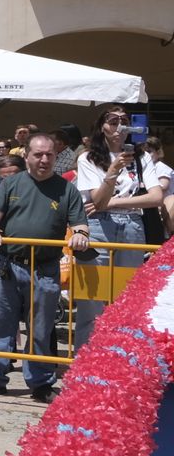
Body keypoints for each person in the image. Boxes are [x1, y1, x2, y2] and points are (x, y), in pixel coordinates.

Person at [0, 133, 88, 403]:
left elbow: (81, 224)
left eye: (49, 154)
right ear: (27, 155)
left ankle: (40, 382)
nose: (44, 159)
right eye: (38, 154)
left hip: (45, 268)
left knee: (40, 328)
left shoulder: (67, 189)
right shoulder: (11, 184)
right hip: (8, 266)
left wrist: (81, 235)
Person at [74, 106, 165, 348]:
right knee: (92, 297)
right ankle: (86, 357)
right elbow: (97, 199)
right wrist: (113, 172)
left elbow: (156, 197)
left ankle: (120, 356)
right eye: (113, 121)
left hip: (132, 224)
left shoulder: (142, 156)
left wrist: (113, 202)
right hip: (99, 226)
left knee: (126, 296)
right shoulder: (88, 158)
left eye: (125, 121)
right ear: (101, 126)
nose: (119, 126)